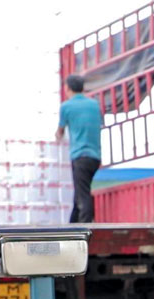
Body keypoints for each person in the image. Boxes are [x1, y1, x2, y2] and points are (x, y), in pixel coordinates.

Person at [55, 74, 102, 223]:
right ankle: (72, 224)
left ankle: (85, 228)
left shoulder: (66, 106)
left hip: (80, 155)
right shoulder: (94, 104)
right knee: (80, 191)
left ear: (67, 88)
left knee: (83, 195)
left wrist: (57, 136)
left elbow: (60, 131)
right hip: (95, 156)